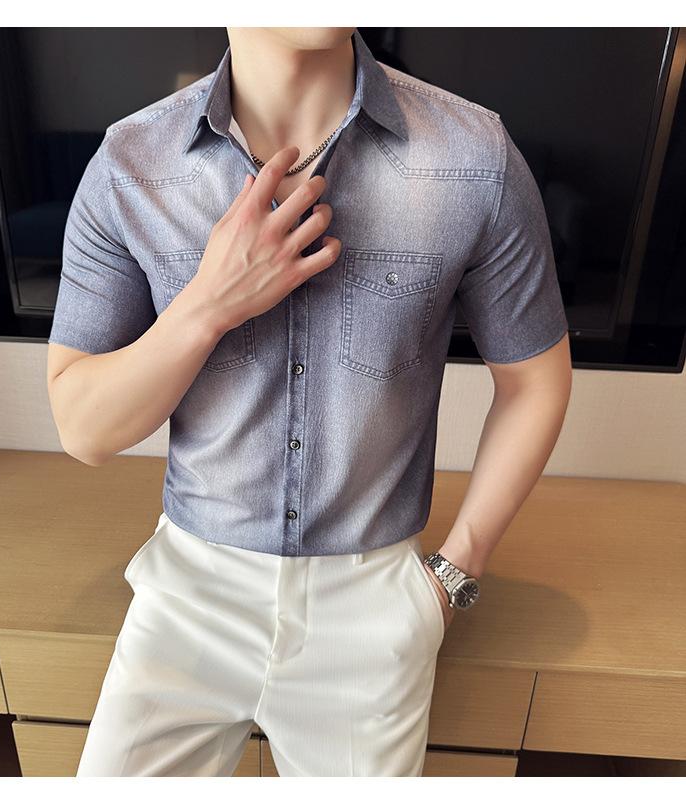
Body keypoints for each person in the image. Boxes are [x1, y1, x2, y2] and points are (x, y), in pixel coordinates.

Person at [47, 27, 571, 776]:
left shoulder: (475, 157)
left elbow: (534, 381)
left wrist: (451, 577)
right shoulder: (130, 166)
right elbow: (83, 427)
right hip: (189, 595)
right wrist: (207, 305)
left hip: (374, 607)